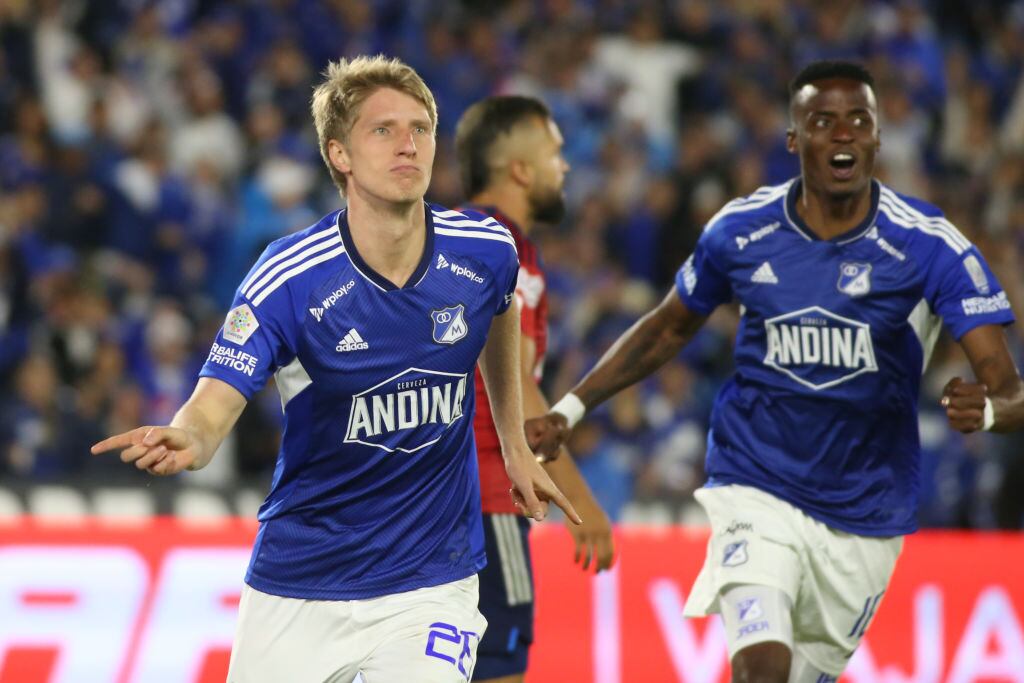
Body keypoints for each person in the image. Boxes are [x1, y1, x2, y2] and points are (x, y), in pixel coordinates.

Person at [527, 60, 1024, 683]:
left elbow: (1008, 387)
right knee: (761, 668)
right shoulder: (741, 230)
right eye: (823, 121)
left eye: (858, 121)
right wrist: (570, 408)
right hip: (756, 483)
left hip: (864, 512)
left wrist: (987, 408)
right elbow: (667, 325)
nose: (842, 134)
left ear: (876, 139)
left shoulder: (929, 245)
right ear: (794, 140)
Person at [91, 55, 579, 683]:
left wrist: (513, 440)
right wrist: (189, 435)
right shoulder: (289, 277)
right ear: (339, 154)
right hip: (300, 584)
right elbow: (215, 403)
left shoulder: (485, 250)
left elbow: (501, 309)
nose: (409, 144)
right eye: (384, 130)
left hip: (432, 581)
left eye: (421, 128)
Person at [453, 95, 616, 683]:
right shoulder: (504, 245)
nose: (563, 166)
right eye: (553, 152)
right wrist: (580, 497)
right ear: (519, 169)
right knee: (498, 668)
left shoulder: (448, 236)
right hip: (488, 491)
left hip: (435, 492)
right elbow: (515, 380)